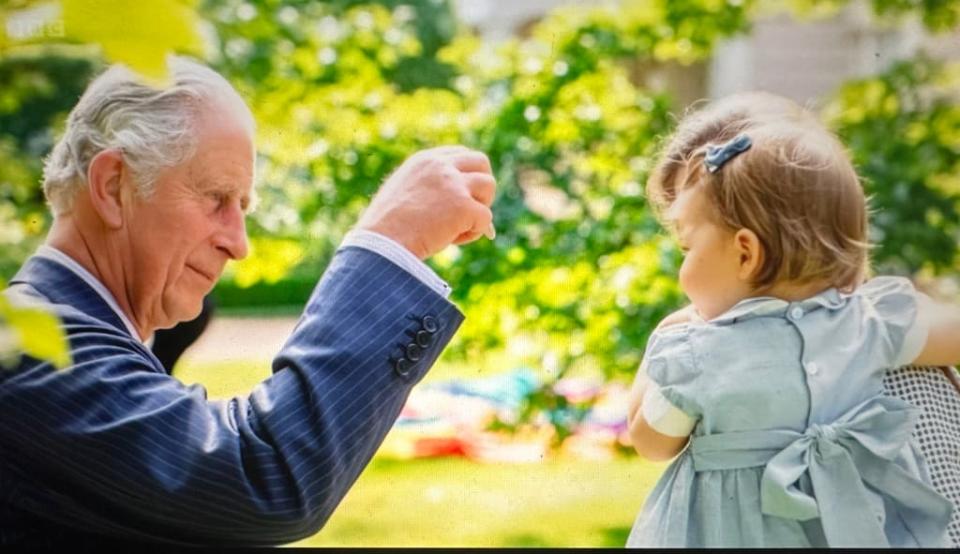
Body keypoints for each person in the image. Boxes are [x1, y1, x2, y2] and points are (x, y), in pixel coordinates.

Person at [0, 57, 495, 547]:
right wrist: (389, 244)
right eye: (217, 197)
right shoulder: (28, 349)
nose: (239, 244)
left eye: (243, 208)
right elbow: (263, 474)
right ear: (113, 186)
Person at [624, 92, 959, 547]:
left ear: (746, 252)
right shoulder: (872, 322)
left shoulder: (697, 355)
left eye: (686, 248)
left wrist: (668, 337)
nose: (682, 267)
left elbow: (649, 440)